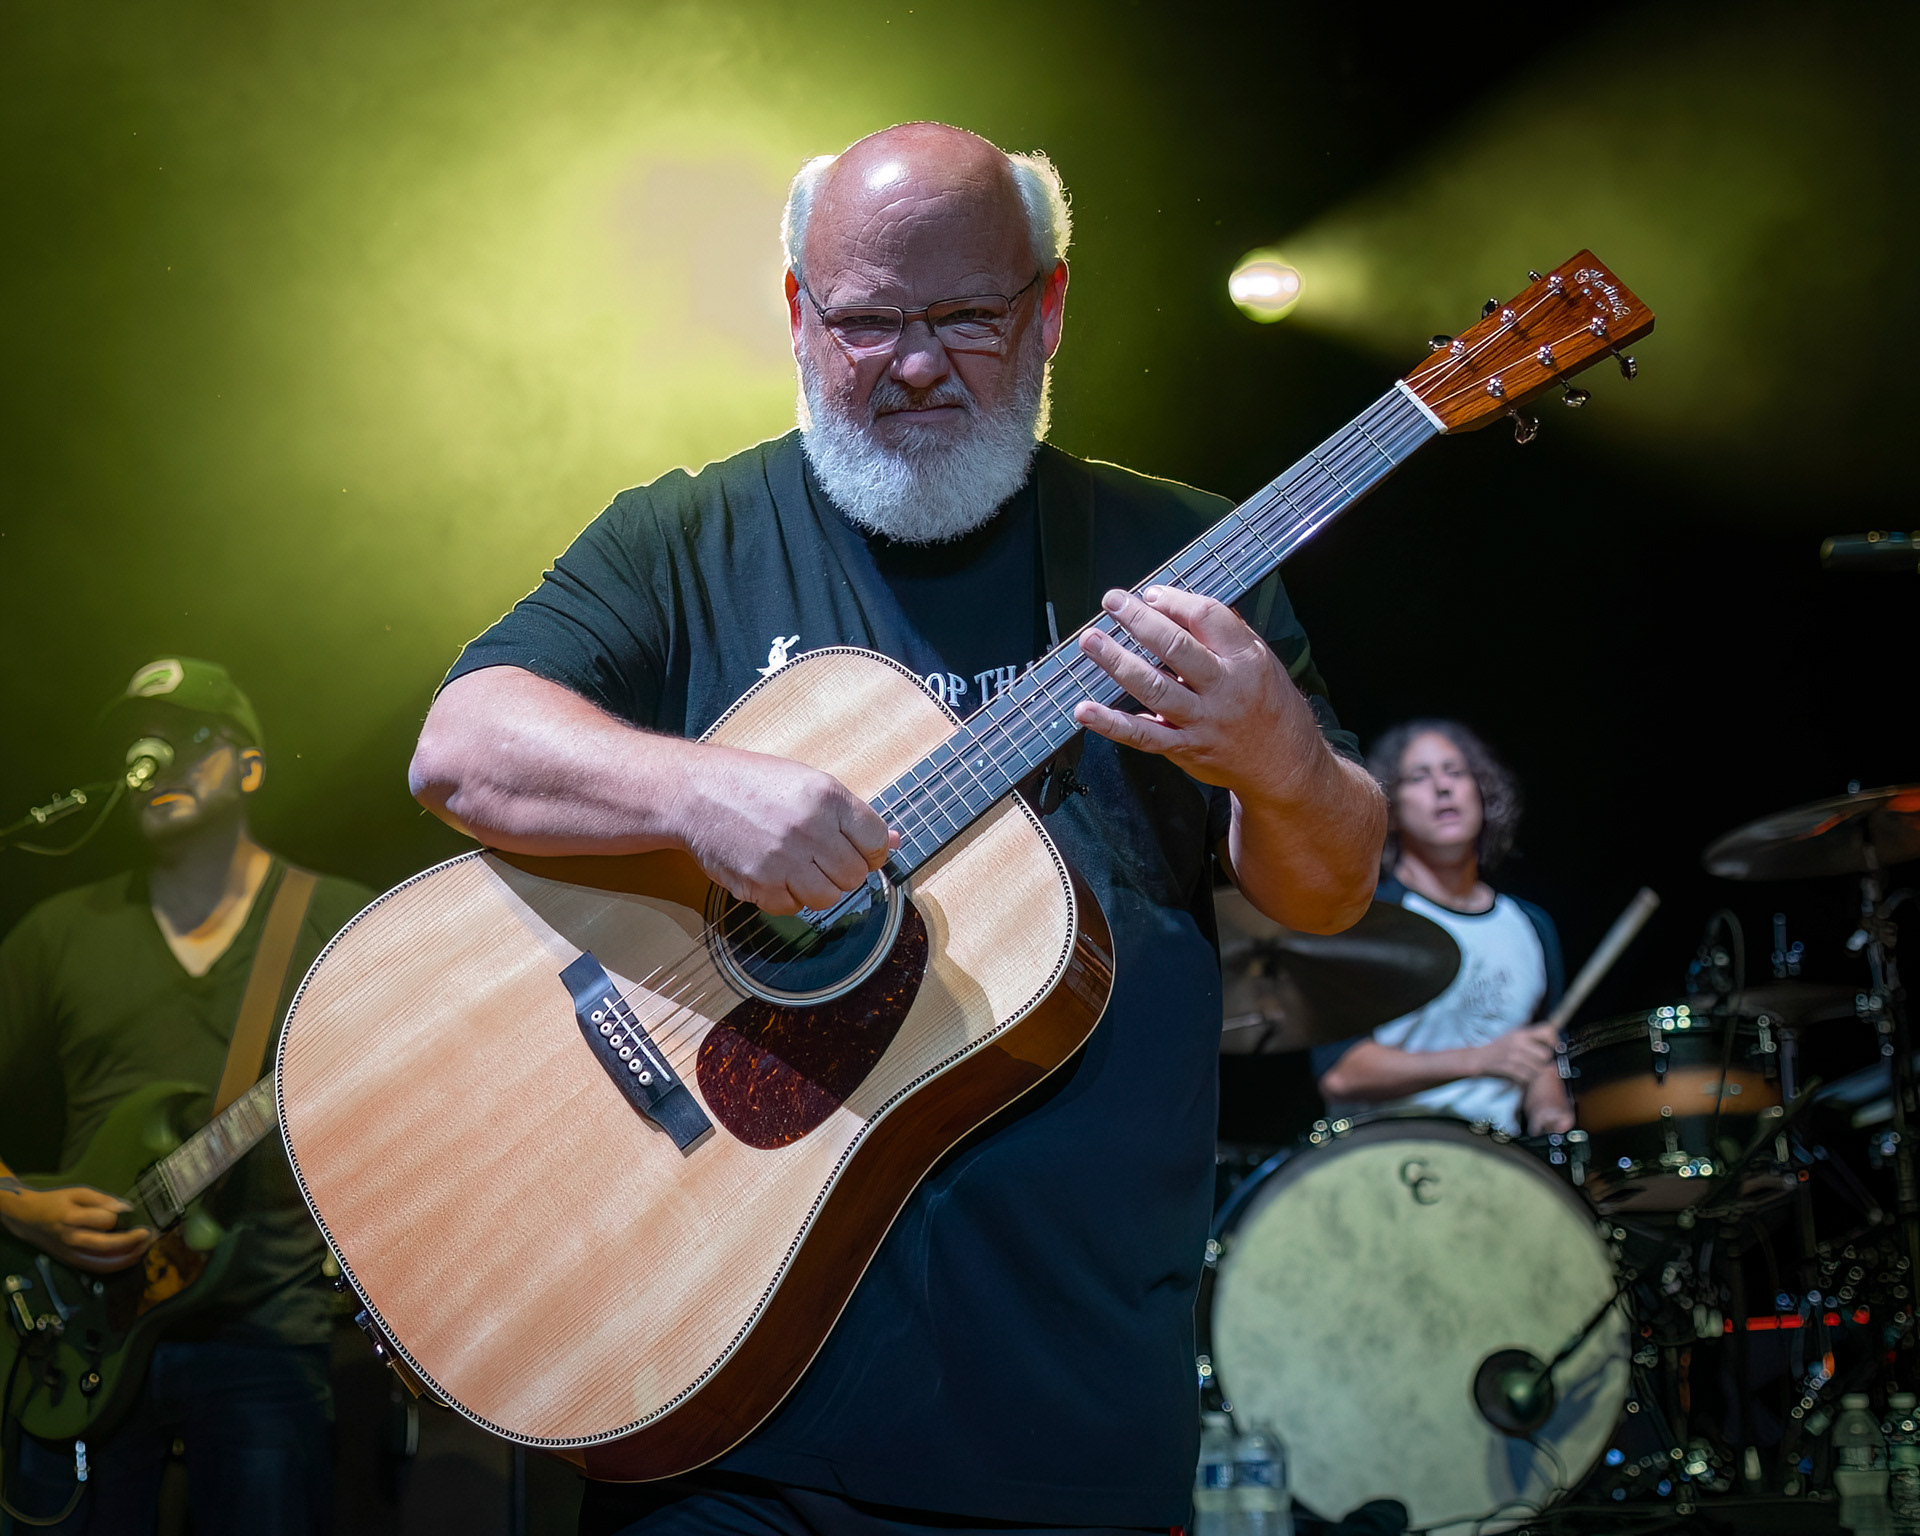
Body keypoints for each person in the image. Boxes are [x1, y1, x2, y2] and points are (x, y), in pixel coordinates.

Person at [408, 122, 1385, 1536]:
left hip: (1069, 1409)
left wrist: (1283, 760)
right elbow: (463, 746)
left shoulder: (1178, 563)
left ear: (1048, 309)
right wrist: (695, 792)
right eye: (867, 321)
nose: (916, 364)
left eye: (968, 318)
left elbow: (1327, 895)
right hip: (718, 1394)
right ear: (800, 314)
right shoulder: (683, 538)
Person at [0, 657, 373, 1535]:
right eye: (141, 742)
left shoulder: (337, 924)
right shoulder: (60, 932)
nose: (155, 758)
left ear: (249, 767)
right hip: (70, 1327)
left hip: (264, 1334)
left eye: (187, 741)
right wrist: (20, 1209)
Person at [1312, 720, 1571, 1136]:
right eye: (1419, 776)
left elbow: (1538, 1054)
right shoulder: (1367, 920)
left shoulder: (1530, 926)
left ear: (1482, 793)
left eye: (1456, 772)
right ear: (1391, 808)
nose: (1442, 788)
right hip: (1384, 1154)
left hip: (1500, 1159)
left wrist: (1551, 1115)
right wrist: (1481, 1059)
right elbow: (1341, 1073)